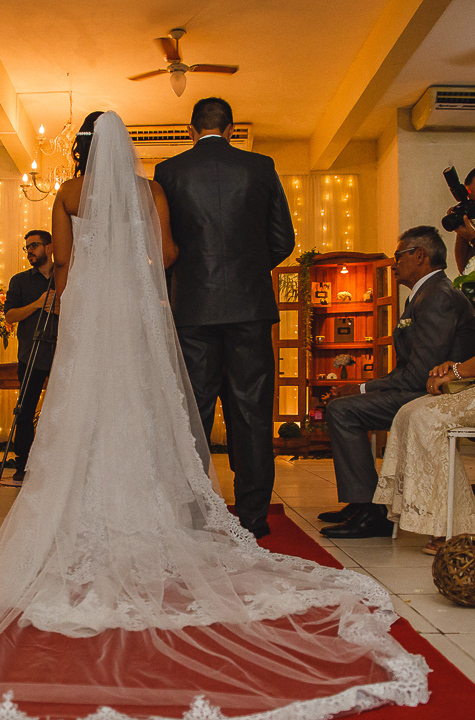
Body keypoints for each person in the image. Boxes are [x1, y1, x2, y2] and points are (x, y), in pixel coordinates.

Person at [0, 111, 428, 720]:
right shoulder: (168, 185)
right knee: (196, 409)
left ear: (82, 149)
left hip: (98, 316)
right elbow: (176, 251)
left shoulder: (73, 194)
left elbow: (63, 268)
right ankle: (219, 512)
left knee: (107, 410)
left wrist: (96, 276)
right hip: (168, 312)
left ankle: (88, 511)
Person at [154, 97, 295, 539]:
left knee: (193, 410)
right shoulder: (261, 165)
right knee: (251, 410)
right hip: (250, 308)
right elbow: (283, 240)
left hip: (193, 307)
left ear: (190, 129)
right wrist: (248, 270)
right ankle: (253, 518)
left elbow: (165, 244)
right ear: (231, 129)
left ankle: (196, 514)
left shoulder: (169, 172)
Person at [320, 226, 475, 540]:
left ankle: (370, 511)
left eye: (398, 256)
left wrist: (364, 388)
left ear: (419, 256)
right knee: (342, 406)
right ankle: (362, 503)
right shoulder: (425, 293)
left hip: (435, 393)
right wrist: (364, 385)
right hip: (419, 387)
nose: (394, 264)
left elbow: (421, 373)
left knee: (342, 411)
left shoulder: (438, 296)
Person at [374, 335, 475, 555]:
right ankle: (417, 511)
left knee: (426, 417)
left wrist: (456, 373)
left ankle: (459, 527)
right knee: (408, 411)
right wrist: (458, 367)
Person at [3, 229, 59, 482]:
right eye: (26, 247)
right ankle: (22, 464)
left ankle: (61, 463)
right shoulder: (20, 281)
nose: (29, 252)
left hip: (63, 354)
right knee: (24, 411)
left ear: (49, 247)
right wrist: (37, 304)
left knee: (62, 410)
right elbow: (10, 316)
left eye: (34, 246)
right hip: (31, 355)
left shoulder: (66, 276)